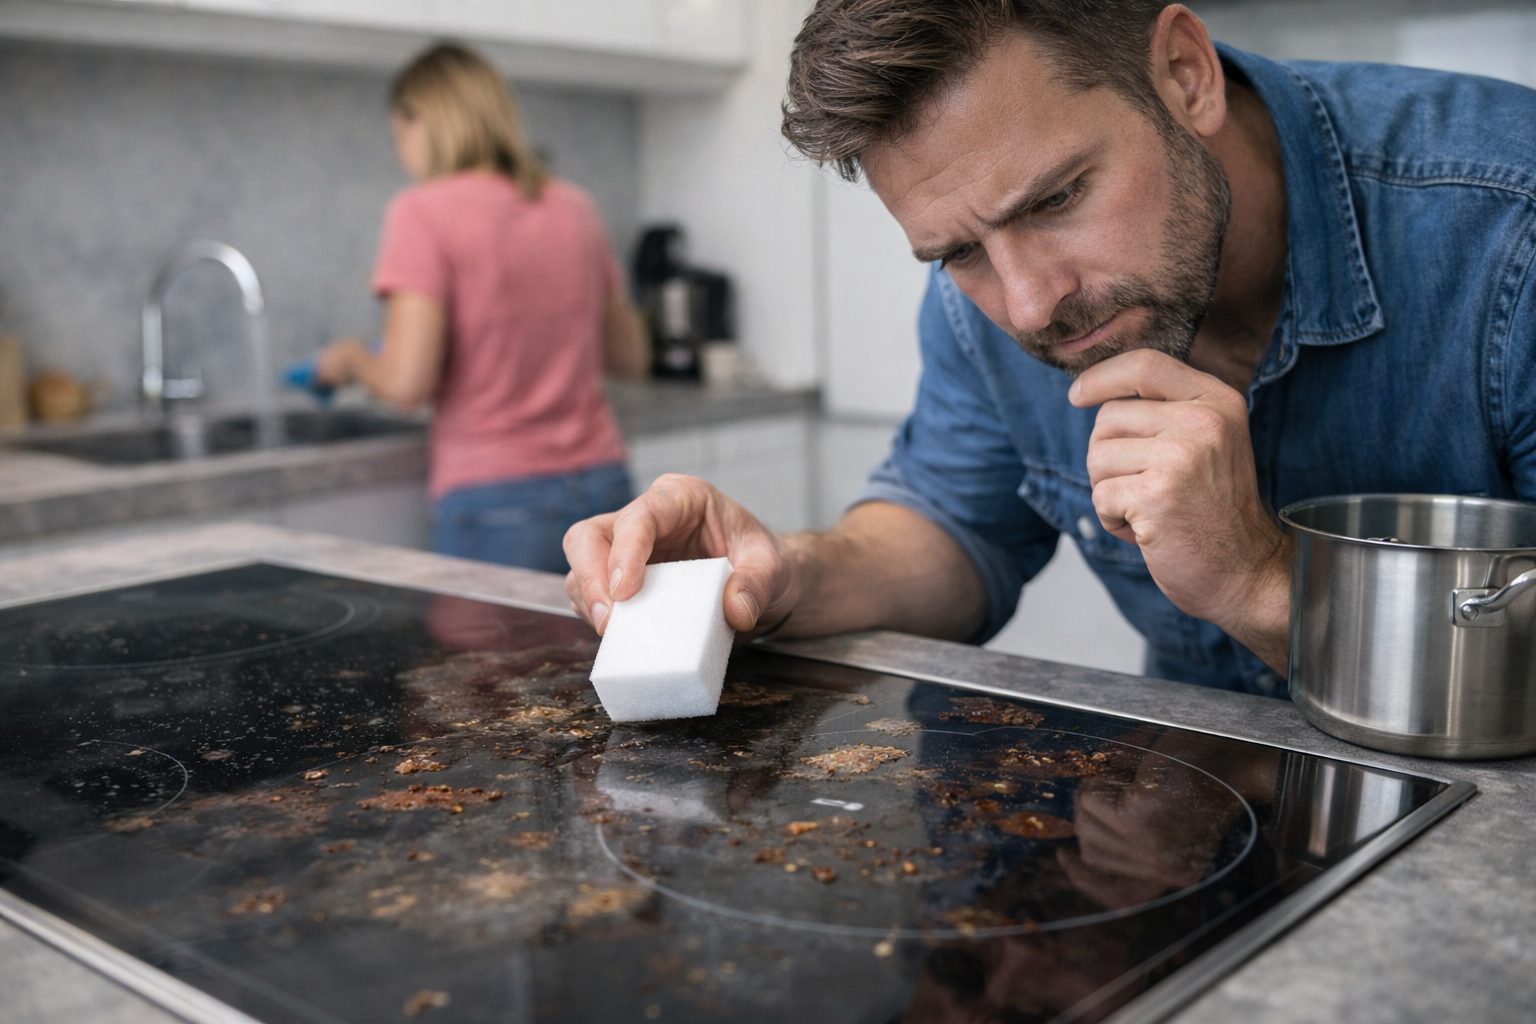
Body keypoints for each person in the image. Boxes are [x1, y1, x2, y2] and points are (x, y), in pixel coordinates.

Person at [563, 1, 1536, 695]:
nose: (1031, 303)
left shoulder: (1510, 237)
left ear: (1184, 75)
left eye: (1057, 198)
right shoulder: (984, 300)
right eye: (956, 251)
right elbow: (953, 525)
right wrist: (782, 572)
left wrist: (1258, 582)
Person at [317, 43, 646, 573]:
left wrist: (351, 359)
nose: (400, 149)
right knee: (607, 654)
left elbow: (406, 383)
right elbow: (629, 355)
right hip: (604, 486)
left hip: (497, 499)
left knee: (496, 660)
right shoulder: (577, 207)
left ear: (422, 120)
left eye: (398, 132)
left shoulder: (421, 212)